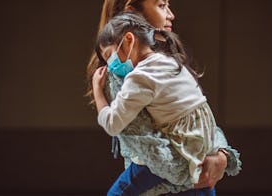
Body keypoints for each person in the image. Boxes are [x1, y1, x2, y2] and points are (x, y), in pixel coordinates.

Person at [86, 0, 242, 194]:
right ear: (132, 12)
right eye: (161, 5)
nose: (171, 14)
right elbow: (150, 149)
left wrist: (221, 153)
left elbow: (199, 115)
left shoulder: (164, 61)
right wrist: (194, 172)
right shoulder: (126, 77)